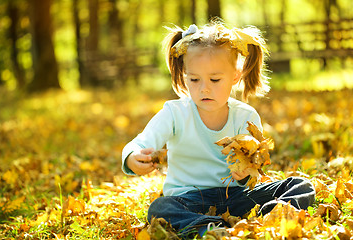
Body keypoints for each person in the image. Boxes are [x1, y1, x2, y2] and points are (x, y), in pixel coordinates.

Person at [121, 21, 315, 238]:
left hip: (236, 197)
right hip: (188, 199)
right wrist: (132, 157)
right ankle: (210, 229)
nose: (204, 87)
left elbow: (253, 167)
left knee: (301, 185)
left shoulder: (246, 117)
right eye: (194, 79)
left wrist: (243, 175)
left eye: (215, 79)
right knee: (160, 208)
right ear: (185, 75)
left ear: (235, 75)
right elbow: (142, 141)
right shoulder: (175, 113)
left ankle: (270, 217)